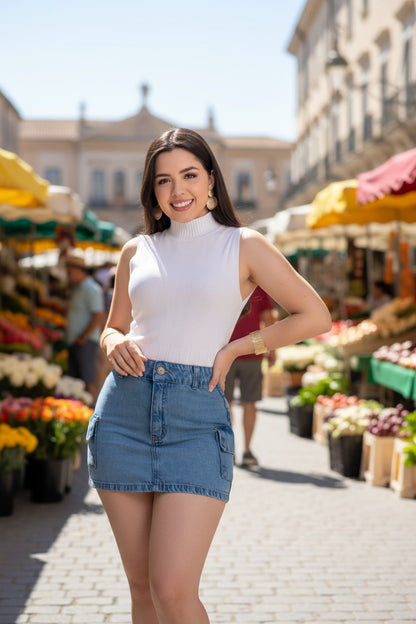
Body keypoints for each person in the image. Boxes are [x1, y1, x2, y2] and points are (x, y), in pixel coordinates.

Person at [89, 128, 332, 624]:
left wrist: (238, 349)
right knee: (141, 590)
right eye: (163, 180)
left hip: (196, 419)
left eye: (189, 175)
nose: (177, 190)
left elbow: (314, 315)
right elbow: (114, 328)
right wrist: (112, 343)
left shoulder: (243, 244)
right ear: (152, 192)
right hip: (122, 414)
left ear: (211, 183)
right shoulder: (136, 250)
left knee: (173, 590)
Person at [225, 286, 277, 467]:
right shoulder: (257, 284)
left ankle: (242, 449)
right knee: (238, 403)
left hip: (233, 353)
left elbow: (268, 318)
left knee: (235, 403)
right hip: (232, 353)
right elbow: (269, 319)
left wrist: (271, 348)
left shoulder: (258, 287)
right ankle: (237, 450)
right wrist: (270, 348)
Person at [65, 249, 105, 401]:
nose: (68, 274)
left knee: (88, 380)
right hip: (77, 340)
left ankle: (92, 412)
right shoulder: (79, 288)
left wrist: (83, 336)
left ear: (76, 270)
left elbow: (98, 315)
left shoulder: (91, 288)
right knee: (76, 380)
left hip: (85, 342)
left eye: (69, 271)